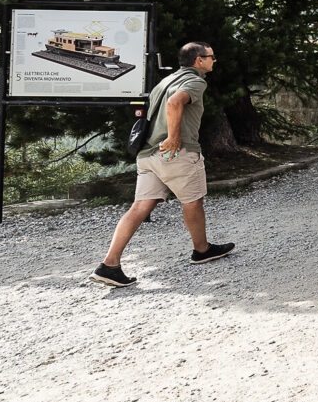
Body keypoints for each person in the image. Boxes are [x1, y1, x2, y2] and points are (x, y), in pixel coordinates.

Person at [92, 42, 234, 286]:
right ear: (199, 61)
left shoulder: (165, 81)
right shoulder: (196, 81)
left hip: (148, 155)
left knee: (138, 208)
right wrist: (174, 136)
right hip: (175, 154)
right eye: (211, 56)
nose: (214, 60)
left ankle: (109, 264)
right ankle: (201, 250)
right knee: (192, 200)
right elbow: (174, 103)